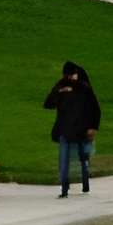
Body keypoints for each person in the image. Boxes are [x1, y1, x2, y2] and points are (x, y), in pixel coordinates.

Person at [43, 61, 101, 197]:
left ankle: (85, 184)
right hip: (65, 129)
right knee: (63, 162)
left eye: (72, 75)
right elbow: (48, 103)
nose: (70, 78)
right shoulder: (61, 86)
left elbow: (95, 109)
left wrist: (93, 127)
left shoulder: (84, 88)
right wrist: (59, 92)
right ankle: (64, 189)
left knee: (83, 161)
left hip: (81, 130)